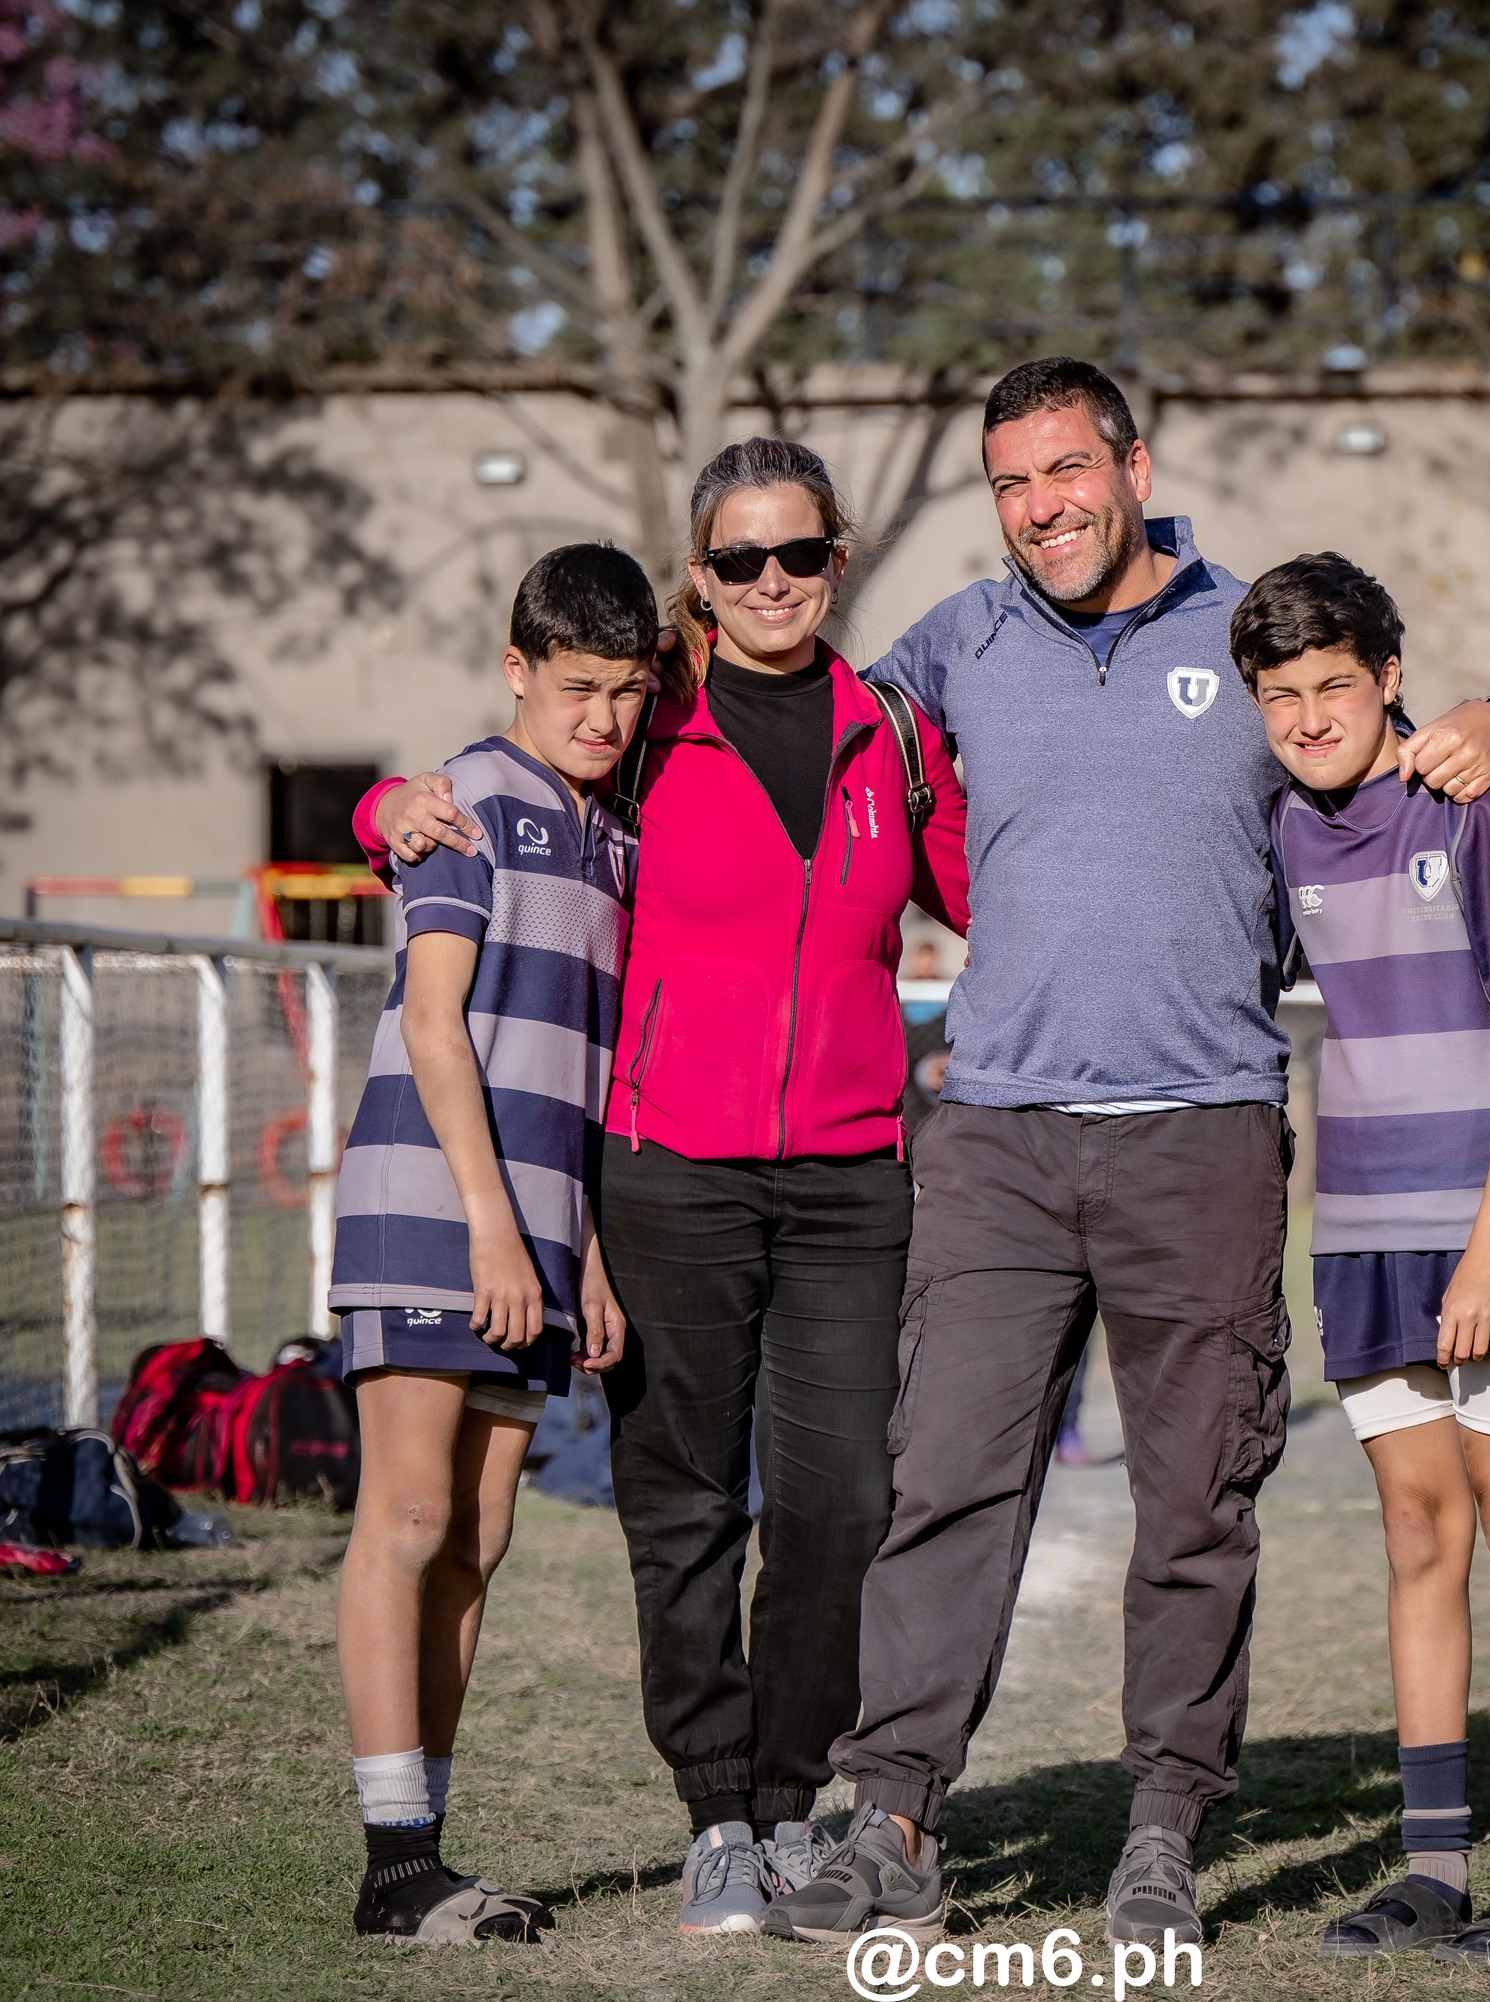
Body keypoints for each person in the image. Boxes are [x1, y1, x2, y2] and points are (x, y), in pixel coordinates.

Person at [762, 359, 1490, 1951]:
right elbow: (783, 696)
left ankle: (1164, 1824)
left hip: (1206, 1135)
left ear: (1133, 462)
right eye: (1012, 482)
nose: (1041, 507)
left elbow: (1368, 730)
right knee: (948, 1479)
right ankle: (892, 1815)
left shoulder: (1244, 637)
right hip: (998, 1141)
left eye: (1065, 470)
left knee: (1194, 1504)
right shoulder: (959, 639)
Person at [354, 440, 971, 1934]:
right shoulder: (647, 715)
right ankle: (714, 1818)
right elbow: (482, 781)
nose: (773, 584)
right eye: (741, 560)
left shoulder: (894, 728)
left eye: (801, 556)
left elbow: (1012, 883)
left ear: (837, 558)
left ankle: (786, 1799)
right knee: (682, 1505)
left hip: (847, 1175)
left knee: (842, 1502)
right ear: (701, 575)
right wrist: (388, 806)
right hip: (669, 1172)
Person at [1236, 553, 1490, 1968]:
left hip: (1483, 1231)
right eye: (1285, 695)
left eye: (1337, 683)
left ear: (1390, 678)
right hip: (1363, 1233)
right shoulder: (1283, 829)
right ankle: (1435, 1868)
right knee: (1417, 1540)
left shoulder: (1483, 808)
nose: (1313, 715)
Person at [329, 542, 647, 1943]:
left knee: (481, 1532)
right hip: (433, 1214)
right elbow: (435, 1024)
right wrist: (493, 1228)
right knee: (404, 1518)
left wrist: (581, 1251)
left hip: (538, 1232)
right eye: (577, 687)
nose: (603, 717)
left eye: (628, 693)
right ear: (518, 670)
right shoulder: (468, 807)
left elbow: (581, 1071)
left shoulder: (617, 833)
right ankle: (393, 1863)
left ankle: (427, 1853)